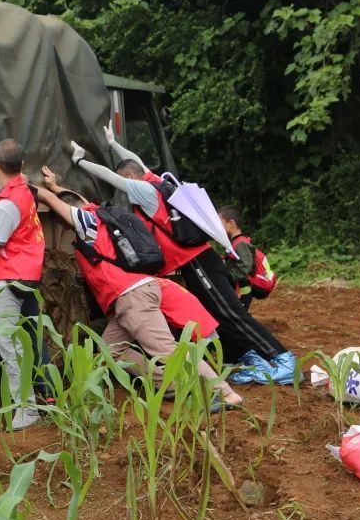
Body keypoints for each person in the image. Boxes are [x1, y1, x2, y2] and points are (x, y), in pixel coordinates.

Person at [67, 128, 295, 385]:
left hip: (197, 261)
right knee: (217, 315)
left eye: (126, 181)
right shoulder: (154, 180)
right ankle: (255, 359)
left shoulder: (146, 190)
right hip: (195, 262)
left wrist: (80, 161)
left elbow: (111, 176)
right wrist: (113, 144)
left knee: (230, 312)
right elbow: (138, 162)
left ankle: (283, 359)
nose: (126, 190)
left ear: (132, 177)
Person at [37, 167, 243, 410]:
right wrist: (56, 186)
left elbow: (59, 203)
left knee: (166, 350)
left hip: (131, 297)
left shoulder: (87, 224)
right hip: (131, 296)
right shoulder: (98, 214)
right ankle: (172, 386)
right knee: (111, 351)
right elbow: (74, 200)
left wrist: (28, 187)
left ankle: (223, 393)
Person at [0, 139, 45, 430]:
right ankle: (35, 399)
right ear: (21, 165)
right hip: (28, 273)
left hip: (8, 275)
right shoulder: (22, 190)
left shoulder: (7, 203)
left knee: (8, 344)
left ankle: (27, 408)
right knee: (28, 339)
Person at [219, 205, 275, 310]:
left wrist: (227, 277)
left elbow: (245, 266)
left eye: (220, 223)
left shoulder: (241, 243)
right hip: (239, 290)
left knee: (240, 317)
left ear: (231, 223)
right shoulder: (235, 243)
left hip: (243, 290)